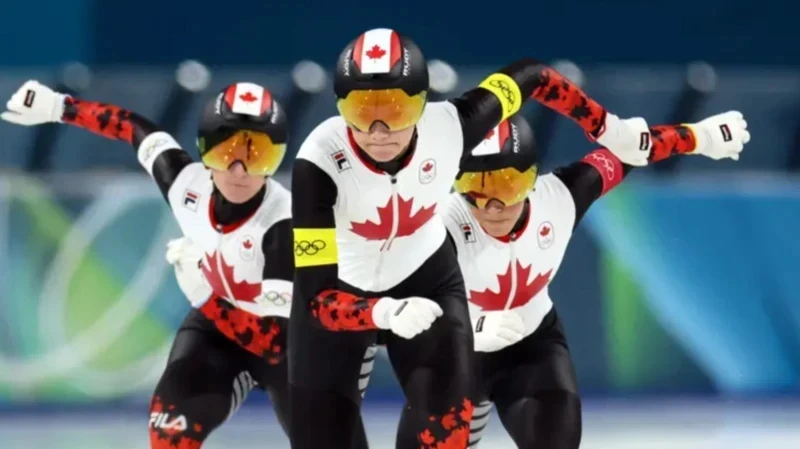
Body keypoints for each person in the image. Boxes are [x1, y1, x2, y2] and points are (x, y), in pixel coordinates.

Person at [288, 27, 659, 449]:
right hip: (340, 293)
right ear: (340, 108)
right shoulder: (319, 161)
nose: (378, 130)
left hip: (426, 281)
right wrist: (385, 312)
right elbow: (317, 301)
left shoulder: (452, 127)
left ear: (421, 103)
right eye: (360, 110)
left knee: (444, 435)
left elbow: (534, 76)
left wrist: (605, 126)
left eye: (395, 109)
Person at [0, 80, 374, 449]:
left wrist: (204, 296)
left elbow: (273, 342)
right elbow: (135, 129)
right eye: (226, 152)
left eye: (257, 155)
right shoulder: (185, 185)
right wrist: (60, 107)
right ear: (203, 151)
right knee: (170, 434)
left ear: (276, 161)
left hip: (295, 345)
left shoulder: (285, 225)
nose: (240, 170)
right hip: (217, 333)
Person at [440, 111, 750, 449]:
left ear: (532, 180)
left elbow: (630, 150)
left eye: (507, 186)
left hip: (530, 350)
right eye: (474, 188)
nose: (492, 206)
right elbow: (405, 309)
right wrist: (468, 330)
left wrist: (700, 136)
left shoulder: (560, 198)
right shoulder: (440, 223)